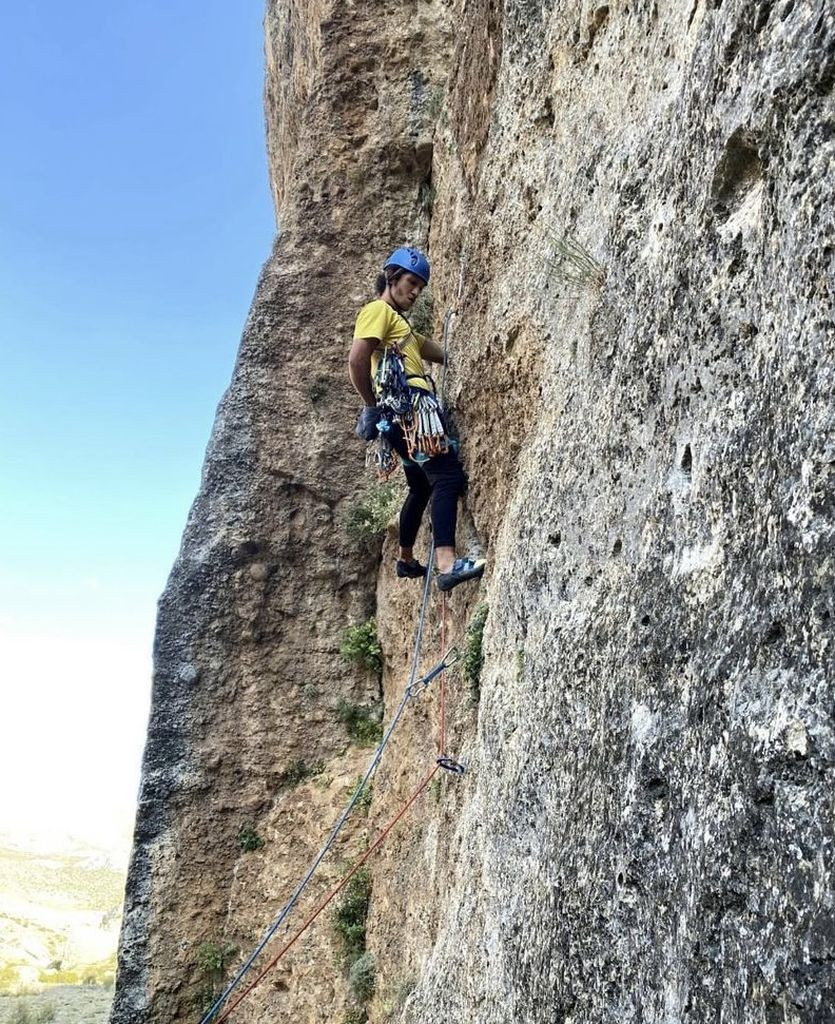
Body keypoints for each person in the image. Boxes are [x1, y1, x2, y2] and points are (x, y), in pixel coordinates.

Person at [348, 246, 485, 593]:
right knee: (446, 476)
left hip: (399, 418)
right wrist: (371, 405)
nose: (415, 291)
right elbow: (357, 361)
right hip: (408, 412)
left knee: (421, 485)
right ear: (391, 277)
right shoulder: (377, 310)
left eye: (420, 287)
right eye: (410, 282)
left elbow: (436, 351)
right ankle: (447, 564)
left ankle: (406, 559)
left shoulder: (402, 328)